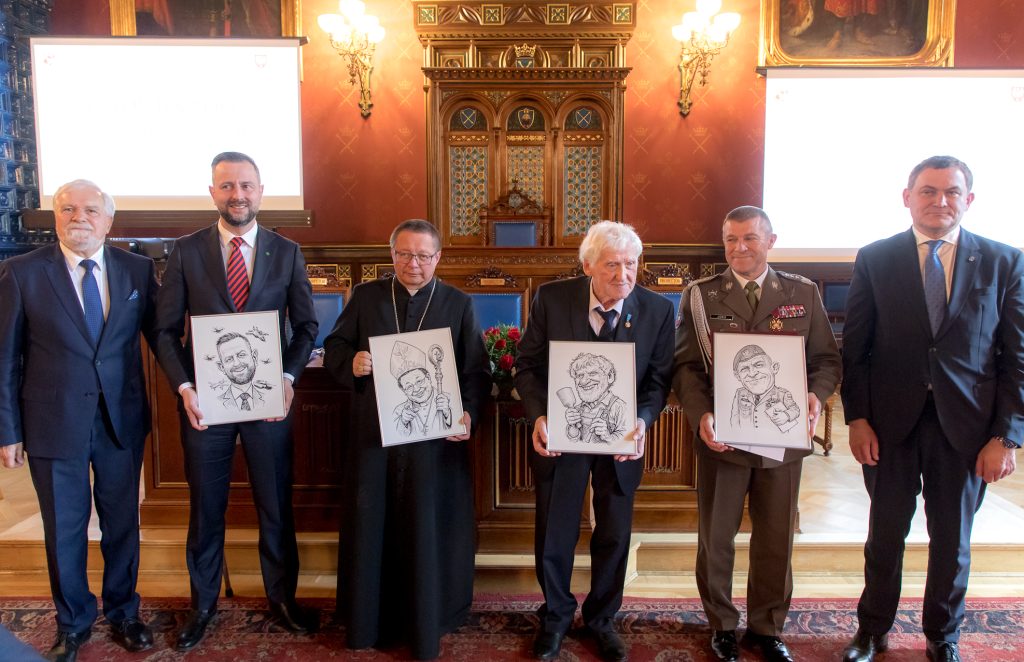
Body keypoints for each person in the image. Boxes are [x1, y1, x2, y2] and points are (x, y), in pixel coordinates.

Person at [840, 156, 1023, 662]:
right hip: (888, 425)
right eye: (928, 191)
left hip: (967, 429)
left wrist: (1006, 437)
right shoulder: (875, 258)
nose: (939, 201)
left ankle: (943, 636)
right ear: (907, 197)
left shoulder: (1004, 262)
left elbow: (1017, 358)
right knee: (884, 535)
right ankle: (872, 630)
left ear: (969, 199)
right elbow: (856, 349)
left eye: (951, 191)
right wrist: (857, 418)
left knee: (952, 541)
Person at [152, 151, 319, 651]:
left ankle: (282, 599)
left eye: (246, 185)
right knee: (206, 508)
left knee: (275, 505)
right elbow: (165, 331)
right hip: (206, 405)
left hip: (270, 404)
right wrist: (185, 388)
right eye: (227, 186)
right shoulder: (186, 252)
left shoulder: (286, 252)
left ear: (261, 191)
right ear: (213, 193)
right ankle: (202, 605)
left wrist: (288, 376)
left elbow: (306, 326)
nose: (237, 195)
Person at [673, 205, 841, 662]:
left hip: (782, 442)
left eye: (749, 238)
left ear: (770, 241)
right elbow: (686, 367)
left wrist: (815, 395)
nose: (739, 247)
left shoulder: (802, 293)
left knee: (775, 538)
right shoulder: (700, 295)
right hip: (722, 440)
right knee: (716, 539)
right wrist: (700, 415)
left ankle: (767, 627)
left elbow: (826, 360)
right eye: (730, 239)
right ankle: (722, 625)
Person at [0, 180, 159, 662]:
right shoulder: (21, 273)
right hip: (52, 423)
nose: (79, 218)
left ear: (108, 220)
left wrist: (202, 387)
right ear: (56, 217)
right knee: (64, 529)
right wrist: (8, 430)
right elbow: (4, 359)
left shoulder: (137, 270)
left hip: (119, 422)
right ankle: (72, 624)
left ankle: (124, 613)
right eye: (68, 209)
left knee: (121, 525)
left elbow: (163, 338)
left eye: (90, 210)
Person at [323, 219, 490, 661]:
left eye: (422, 256)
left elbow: (475, 371)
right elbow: (335, 346)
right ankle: (368, 619)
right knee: (373, 523)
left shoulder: (458, 303)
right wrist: (352, 362)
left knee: (426, 526)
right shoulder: (366, 297)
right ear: (392, 254)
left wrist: (469, 414)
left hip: (434, 447)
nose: (413, 264)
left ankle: (430, 617)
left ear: (438, 258)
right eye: (404, 254)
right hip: (375, 440)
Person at [514, 220, 675, 662]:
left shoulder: (658, 310)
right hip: (561, 438)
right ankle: (556, 617)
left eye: (631, 264)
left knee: (615, 533)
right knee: (556, 531)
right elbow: (527, 366)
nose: (623, 275)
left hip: (622, 440)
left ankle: (602, 619)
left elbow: (658, 381)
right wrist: (539, 415)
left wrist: (643, 420)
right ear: (587, 265)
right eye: (611, 265)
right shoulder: (552, 299)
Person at [729, 344, 801, 432]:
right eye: (744, 369)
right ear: (738, 376)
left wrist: (786, 415)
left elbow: (795, 410)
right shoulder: (740, 393)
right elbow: (735, 419)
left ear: (774, 368)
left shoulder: (782, 394)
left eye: (758, 365)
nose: (752, 373)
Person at [213, 332, 269, 411]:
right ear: (222, 367)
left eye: (241, 355)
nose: (237, 363)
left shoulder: (271, 398)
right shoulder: (215, 403)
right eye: (229, 359)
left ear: (254, 357)